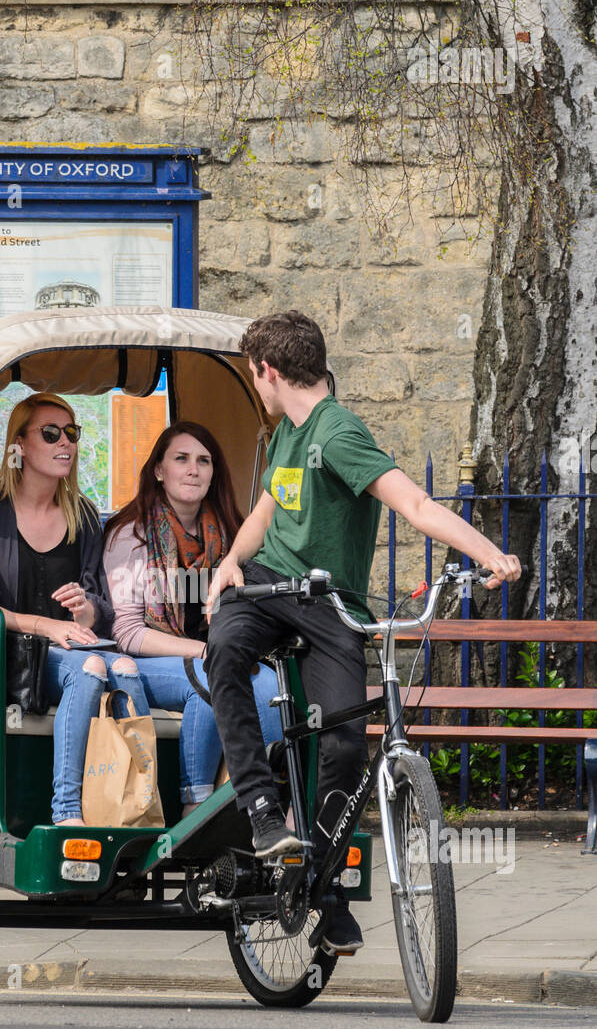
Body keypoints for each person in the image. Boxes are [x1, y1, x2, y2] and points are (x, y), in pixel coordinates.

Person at [205, 310, 521, 954]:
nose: (254, 387)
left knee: (346, 748)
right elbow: (265, 512)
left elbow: (417, 504)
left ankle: (320, 888)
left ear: (267, 371)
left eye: (252, 376)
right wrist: (232, 561)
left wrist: (489, 554)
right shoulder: (287, 436)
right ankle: (263, 811)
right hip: (269, 588)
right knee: (225, 650)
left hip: (329, 604)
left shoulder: (338, 433)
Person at [0, 391, 149, 826]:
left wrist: (85, 612)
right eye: (51, 433)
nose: (66, 442)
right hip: (8, 658)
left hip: (76, 649)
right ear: (19, 445)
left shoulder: (81, 513)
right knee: (92, 670)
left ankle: (137, 803)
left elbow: (98, 600)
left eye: (72, 433)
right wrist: (47, 625)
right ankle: (66, 810)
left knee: (124, 667)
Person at [103, 422, 281, 814]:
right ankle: (194, 803)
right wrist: (205, 649)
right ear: (159, 470)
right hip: (144, 664)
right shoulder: (129, 535)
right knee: (209, 675)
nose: (193, 469)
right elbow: (128, 632)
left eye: (203, 461)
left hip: (216, 655)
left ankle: (266, 803)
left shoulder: (233, 534)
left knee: (270, 686)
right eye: (180, 459)